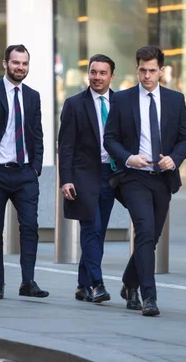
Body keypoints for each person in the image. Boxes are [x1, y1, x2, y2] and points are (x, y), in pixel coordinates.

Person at [104, 45, 186, 316]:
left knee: (151, 237)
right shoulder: (122, 99)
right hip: (133, 178)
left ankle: (129, 283)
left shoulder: (176, 100)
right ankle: (149, 296)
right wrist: (129, 158)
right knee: (143, 230)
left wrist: (174, 159)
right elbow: (110, 139)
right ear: (137, 68)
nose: (147, 75)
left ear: (161, 71)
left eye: (152, 70)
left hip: (162, 178)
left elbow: (185, 138)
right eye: (142, 69)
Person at [0, 44, 48, 300]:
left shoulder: (33, 96)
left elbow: (37, 134)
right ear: (5, 63)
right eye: (16, 63)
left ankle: (28, 281)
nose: (20, 68)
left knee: (30, 226)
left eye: (24, 64)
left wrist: (36, 167)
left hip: (24, 173)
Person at [58, 54, 117, 303]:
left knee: (99, 232)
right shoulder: (74, 104)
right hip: (83, 176)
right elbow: (66, 146)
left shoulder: (121, 102)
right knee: (90, 228)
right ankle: (97, 284)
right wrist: (66, 179)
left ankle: (82, 285)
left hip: (111, 175)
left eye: (103, 73)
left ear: (111, 76)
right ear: (88, 74)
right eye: (93, 72)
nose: (97, 77)